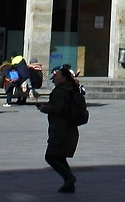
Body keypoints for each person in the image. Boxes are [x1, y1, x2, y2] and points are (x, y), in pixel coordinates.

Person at [39, 65, 87, 194]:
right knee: (59, 156)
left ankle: (69, 178)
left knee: (50, 156)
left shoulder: (60, 91)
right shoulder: (72, 89)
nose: (54, 77)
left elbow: (58, 109)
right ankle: (69, 184)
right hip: (69, 127)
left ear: (64, 78)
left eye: (57, 75)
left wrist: (44, 108)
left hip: (60, 128)